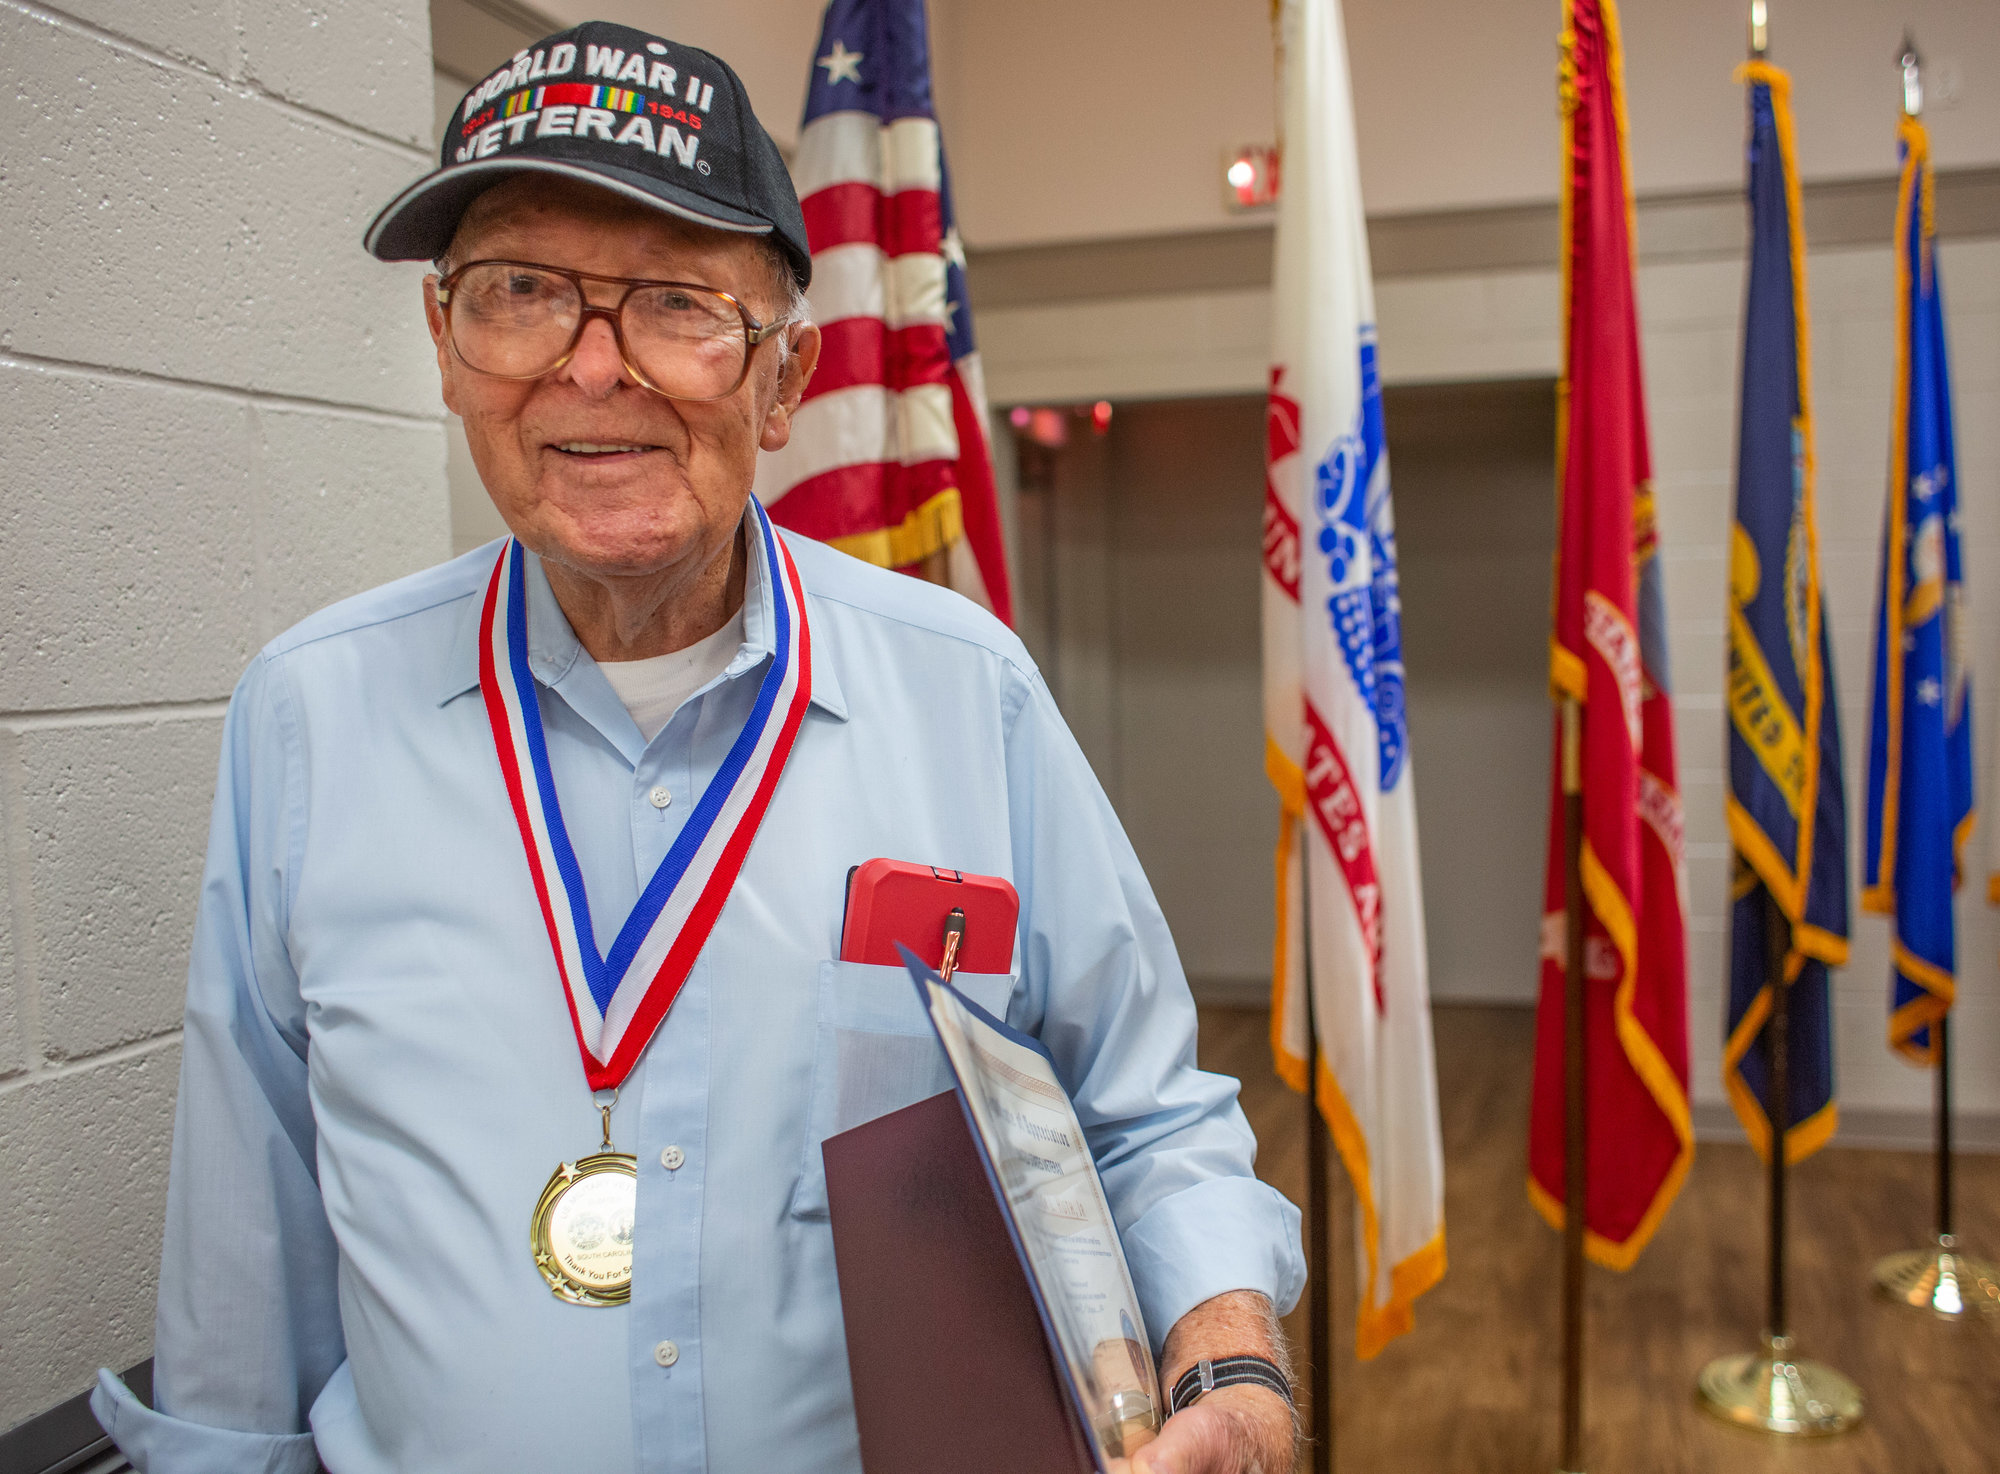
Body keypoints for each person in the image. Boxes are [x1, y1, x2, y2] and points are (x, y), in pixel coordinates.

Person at [91, 21, 1303, 1474]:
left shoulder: (961, 695)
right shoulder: (308, 717)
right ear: (443, 343)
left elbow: (1148, 1113)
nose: (591, 371)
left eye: (674, 302)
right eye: (520, 291)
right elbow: (244, 1280)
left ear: (784, 379)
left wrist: (1232, 1360)